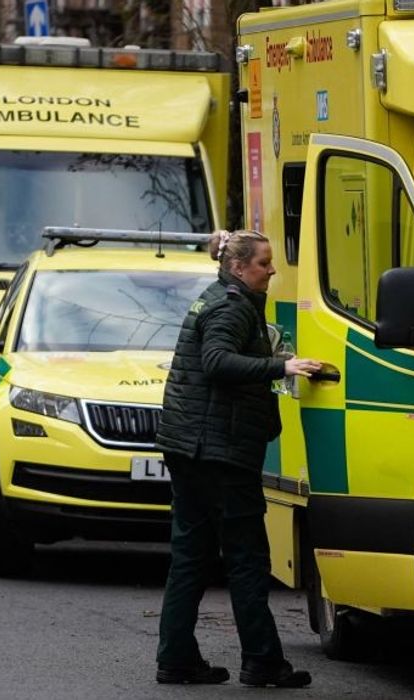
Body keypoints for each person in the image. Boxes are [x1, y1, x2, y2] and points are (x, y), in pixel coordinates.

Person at [154, 229, 319, 688]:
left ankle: (176, 659)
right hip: (220, 452)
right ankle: (263, 662)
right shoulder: (231, 306)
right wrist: (281, 366)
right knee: (247, 557)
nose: (271, 270)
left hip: (190, 447)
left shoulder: (217, 295)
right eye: (265, 262)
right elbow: (218, 362)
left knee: (190, 555)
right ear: (239, 267)